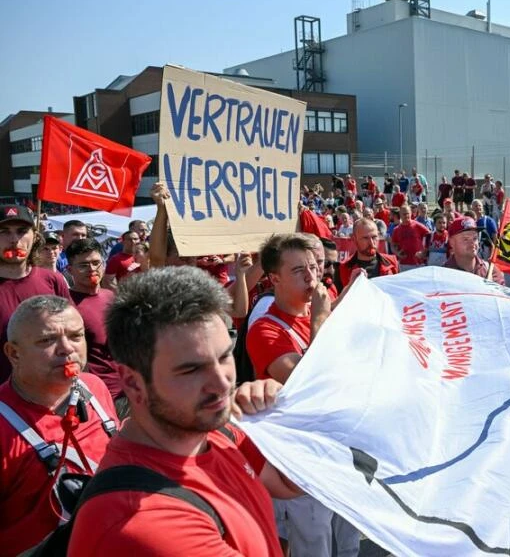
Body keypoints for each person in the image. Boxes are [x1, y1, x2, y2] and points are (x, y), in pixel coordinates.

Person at [69, 267, 297, 555]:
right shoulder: (140, 518)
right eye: (191, 369)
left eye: (225, 356)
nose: (222, 382)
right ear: (132, 382)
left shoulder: (214, 431)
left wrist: (281, 415)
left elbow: (291, 482)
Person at [244, 236, 359, 556]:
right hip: (296, 461)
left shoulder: (323, 309)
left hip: (336, 446)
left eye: (313, 267)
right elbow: (310, 381)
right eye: (298, 270)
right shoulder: (266, 330)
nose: (312, 277)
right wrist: (321, 318)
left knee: (348, 543)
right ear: (274, 278)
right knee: (314, 545)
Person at [0, 296, 118, 555]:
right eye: (47, 340)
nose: (67, 349)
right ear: (14, 353)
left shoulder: (95, 388)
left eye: (76, 336)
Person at [1, 205, 71, 383]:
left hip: (52, 390)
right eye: (4, 231)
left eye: (22, 231)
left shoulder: (53, 280)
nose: (14, 239)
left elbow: (72, 332)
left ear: (34, 236)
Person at [65, 238, 124, 406]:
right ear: (70, 270)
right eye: (83, 265)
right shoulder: (67, 305)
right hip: (96, 397)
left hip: (127, 390)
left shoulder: (111, 296)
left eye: (96, 263)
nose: (91, 269)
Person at [337, 218, 398, 291]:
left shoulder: (391, 261)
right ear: (354, 239)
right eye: (365, 238)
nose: (371, 243)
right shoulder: (344, 268)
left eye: (374, 237)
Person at [444, 217, 505, 285]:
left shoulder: (491, 271)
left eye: (475, 238)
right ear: (452, 242)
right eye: (466, 239)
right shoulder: (442, 275)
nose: (472, 243)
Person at [391, 204, 431, 271]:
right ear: (400, 215)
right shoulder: (396, 230)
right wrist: (397, 253)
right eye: (404, 214)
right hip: (404, 264)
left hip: (419, 263)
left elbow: (429, 235)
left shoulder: (417, 225)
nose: (406, 216)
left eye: (408, 213)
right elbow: (392, 245)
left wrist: (424, 252)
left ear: (411, 213)